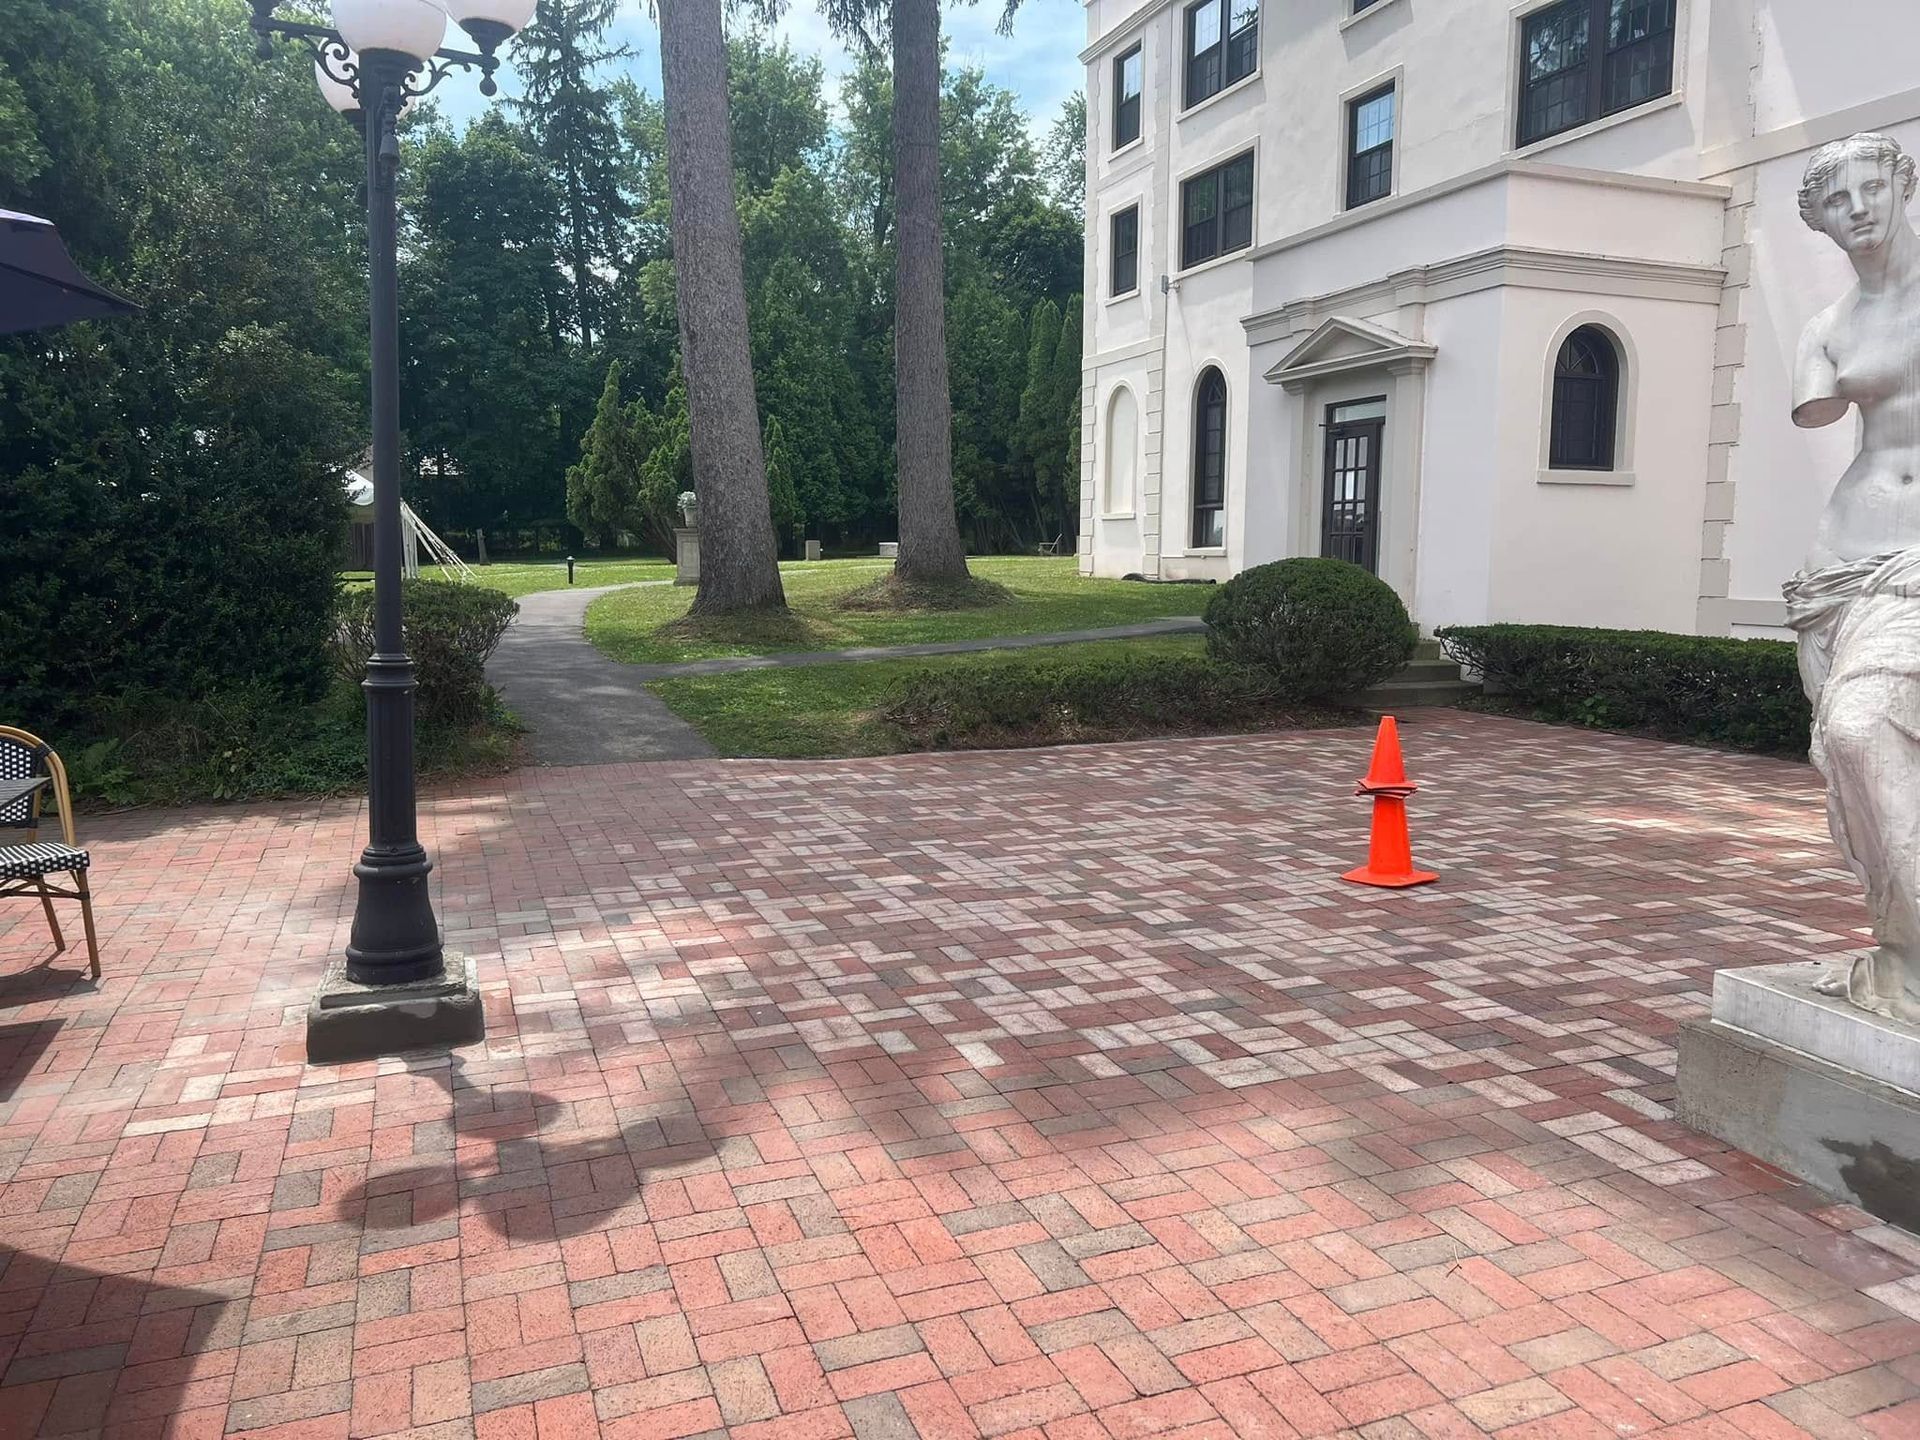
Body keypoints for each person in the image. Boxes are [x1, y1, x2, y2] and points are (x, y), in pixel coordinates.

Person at [1785, 131, 1920, 1023]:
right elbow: (1816, 405)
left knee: (1866, 725)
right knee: (1845, 754)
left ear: (1903, 186)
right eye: (1839, 200)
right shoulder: (1826, 328)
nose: (1859, 207)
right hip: (1839, 569)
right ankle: (1900, 949)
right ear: (1820, 221)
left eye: (1873, 187)